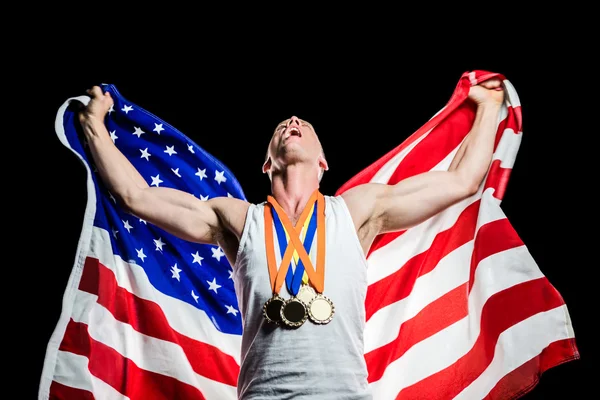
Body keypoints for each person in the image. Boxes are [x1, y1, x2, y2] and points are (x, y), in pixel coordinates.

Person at [78, 78, 504, 399]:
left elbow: (463, 180)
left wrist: (488, 105)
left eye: (303, 123)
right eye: (283, 124)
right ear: (267, 163)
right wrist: (95, 125)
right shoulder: (237, 217)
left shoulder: (356, 210)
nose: (293, 122)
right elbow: (135, 196)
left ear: (323, 160)